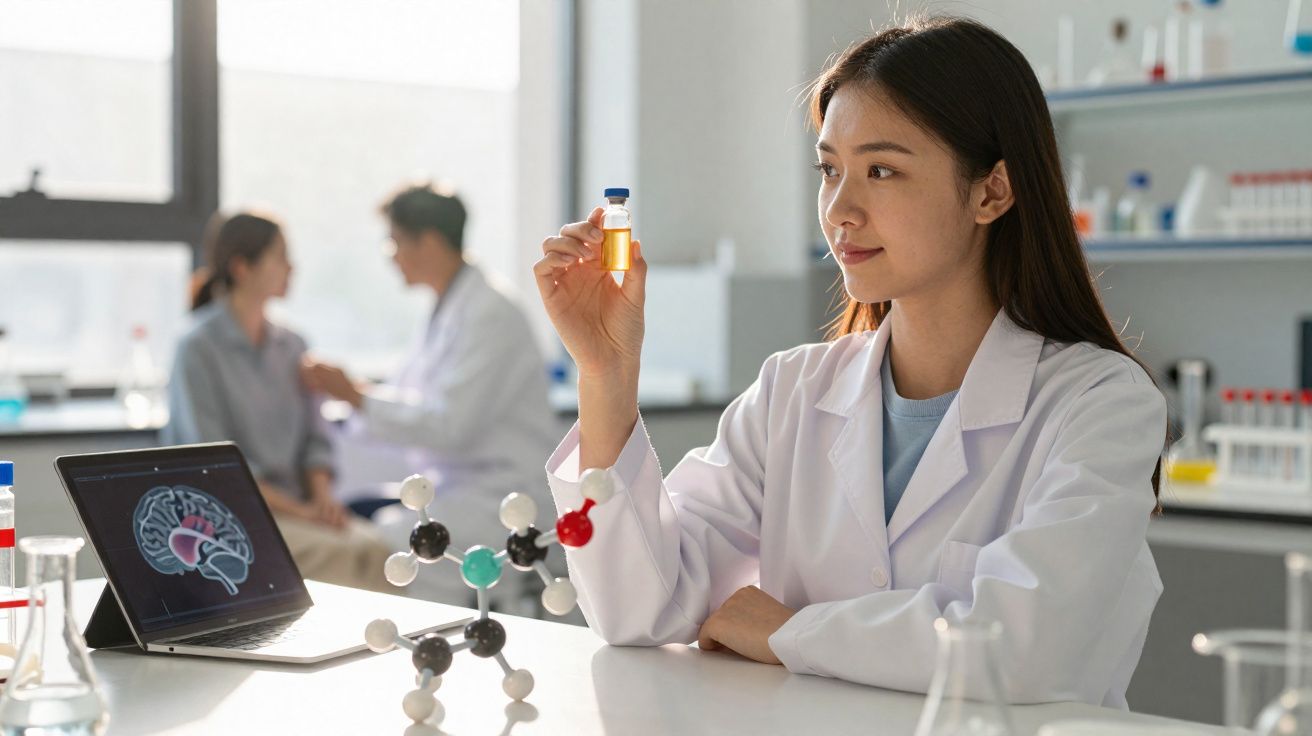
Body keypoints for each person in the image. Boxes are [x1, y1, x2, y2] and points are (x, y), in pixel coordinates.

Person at [533, 16, 1168, 708]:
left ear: (992, 192)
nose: (840, 208)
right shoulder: (793, 391)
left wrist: (789, 633)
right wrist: (607, 373)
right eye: (830, 170)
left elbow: (1024, 648)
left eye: (882, 170)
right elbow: (640, 610)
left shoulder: (1099, 402)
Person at [302, 182, 559, 607]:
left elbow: (449, 425)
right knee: (364, 514)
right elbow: (405, 400)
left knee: (383, 548)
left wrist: (356, 396)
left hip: (502, 497)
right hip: (459, 485)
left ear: (431, 242)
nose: (391, 255)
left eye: (395, 241)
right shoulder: (447, 308)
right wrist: (344, 402)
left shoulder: (490, 313)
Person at [164, 211, 390, 592]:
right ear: (242, 267)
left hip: (297, 510)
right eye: (281, 256)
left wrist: (322, 498)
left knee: (381, 552)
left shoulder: (292, 345)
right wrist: (304, 513)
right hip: (230, 517)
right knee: (344, 555)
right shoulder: (197, 349)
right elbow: (215, 465)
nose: (292, 267)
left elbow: (316, 438)